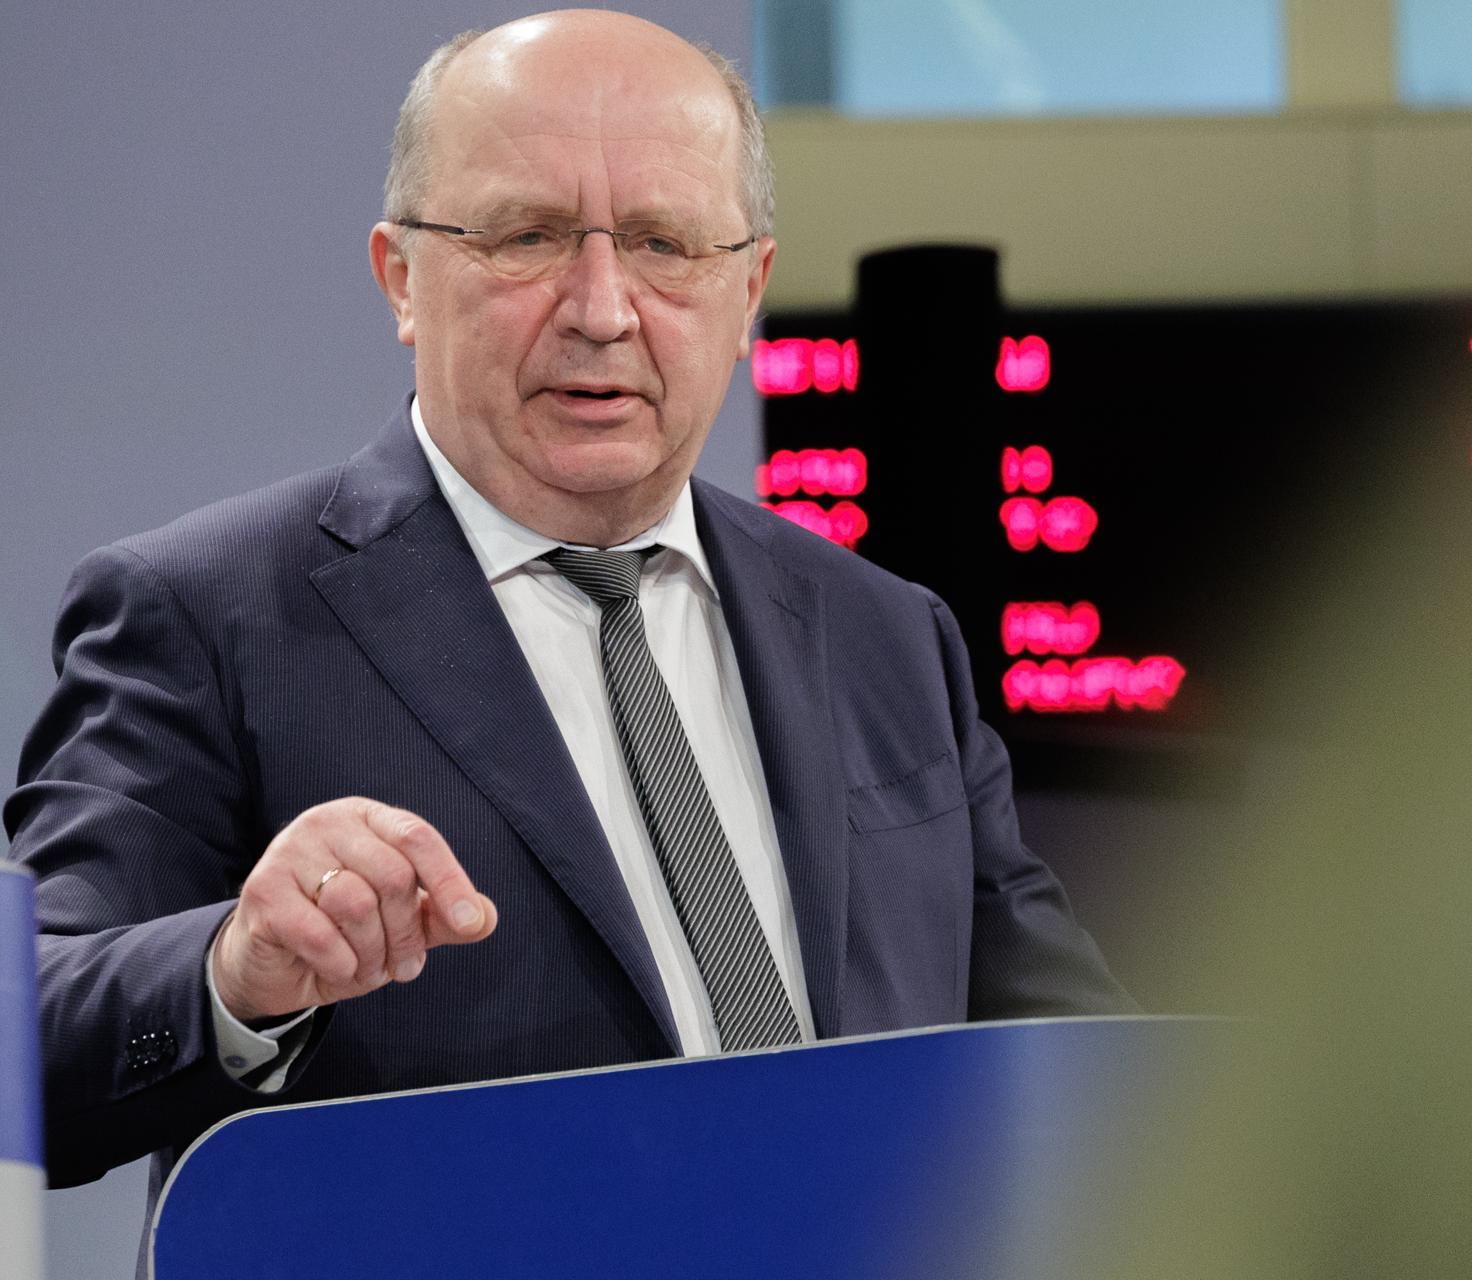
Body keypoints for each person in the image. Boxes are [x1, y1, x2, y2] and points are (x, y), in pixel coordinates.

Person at [6, 7, 1129, 1210]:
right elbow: (34, 1035)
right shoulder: (203, 612)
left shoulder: (887, 633)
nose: (603, 308)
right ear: (400, 276)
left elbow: (1071, 1058)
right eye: (528, 236)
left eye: (662, 243)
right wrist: (234, 968)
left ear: (748, 289)